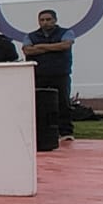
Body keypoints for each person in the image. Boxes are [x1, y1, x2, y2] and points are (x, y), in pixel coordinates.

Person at [21, 9, 75, 143]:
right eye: (42, 20)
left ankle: (66, 132)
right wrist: (53, 47)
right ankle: (39, 132)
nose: (45, 22)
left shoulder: (66, 32)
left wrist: (40, 47)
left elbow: (65, 45)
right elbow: (27, 50)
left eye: (48, 19)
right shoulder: (30, 35)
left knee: (63, 103)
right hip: (38, 74)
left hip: (60, 73)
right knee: (38, 104)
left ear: (55, 20)